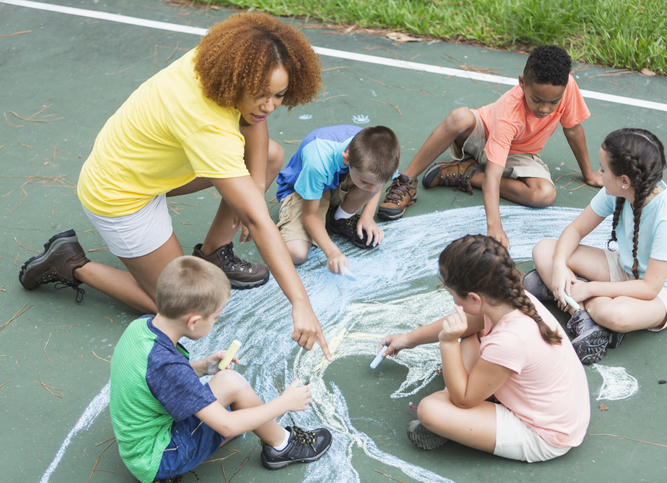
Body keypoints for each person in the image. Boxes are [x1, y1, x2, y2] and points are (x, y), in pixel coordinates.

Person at [18, 13, 332, 360]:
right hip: (119, 194)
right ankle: (69, 263)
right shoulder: (206, 125)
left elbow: (252, 119)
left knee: (268, 156)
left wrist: (255, 186)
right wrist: (300, 303)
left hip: (152, 168)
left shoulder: (222, 60)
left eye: (279, 95)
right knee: (176, 309)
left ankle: (214, 252)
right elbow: (259, 222)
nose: (270, 106)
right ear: (238, 80)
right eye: (261, 94)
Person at [110, 256, 332, 483]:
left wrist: (202, 367)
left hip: (138, 445)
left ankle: (270, 438)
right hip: (159, 458)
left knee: (227, 384)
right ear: (194, 322)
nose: (216, 321)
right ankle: (281, 446)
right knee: (232, 391)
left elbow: (157, 380)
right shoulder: (170, 368)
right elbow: (227, 426)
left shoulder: (141, 327)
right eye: (215, 317)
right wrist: (284, 403)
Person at [378, 235, 590, 462]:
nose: (454, 303)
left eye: (453, 296)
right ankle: (463, 416)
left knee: (430, 410)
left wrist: (448, 342)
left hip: (544, 434)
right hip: (561, 410)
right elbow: (469, 323)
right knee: (470, 333)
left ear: (474, 298)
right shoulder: (511, 299)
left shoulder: (510, 339)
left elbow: (464, 399)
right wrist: (409, 339)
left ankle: (454, 422)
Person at [377, 45, 602, 250]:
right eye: (536, 99)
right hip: (483, 134)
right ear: (522, 83)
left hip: (518, 152)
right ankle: (405, 181)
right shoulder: (509, 115)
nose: (544, 108)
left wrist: (589, 174)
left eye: (553, 102)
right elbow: (493, 176)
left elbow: (572, 129)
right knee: (459, 118)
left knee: (543, 195)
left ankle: (466, 173)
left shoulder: (567, 86)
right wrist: (495, 227)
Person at [525, 128, 667, 364]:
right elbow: (575, 230)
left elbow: (650, 288)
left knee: (615, 314)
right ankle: (582, 316)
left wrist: (589, 289)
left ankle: (571, 297)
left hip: (666, 292)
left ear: (624, 181)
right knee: (545, 250)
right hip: (627, 267)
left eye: (603, 169)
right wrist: (558, 267)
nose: (599, 173)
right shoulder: (621, 190)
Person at [275, 125, 399, 274]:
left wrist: (367, 216)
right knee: (297, 253)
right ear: (346, 159)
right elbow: (310, 215)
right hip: (303, 191)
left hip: (338, 179)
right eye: (365, 182)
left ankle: (340, 218)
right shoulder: (318, 161)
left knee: (370, 182)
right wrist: (332, 252)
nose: (373, 189)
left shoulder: (379, 156)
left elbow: (378, 182)